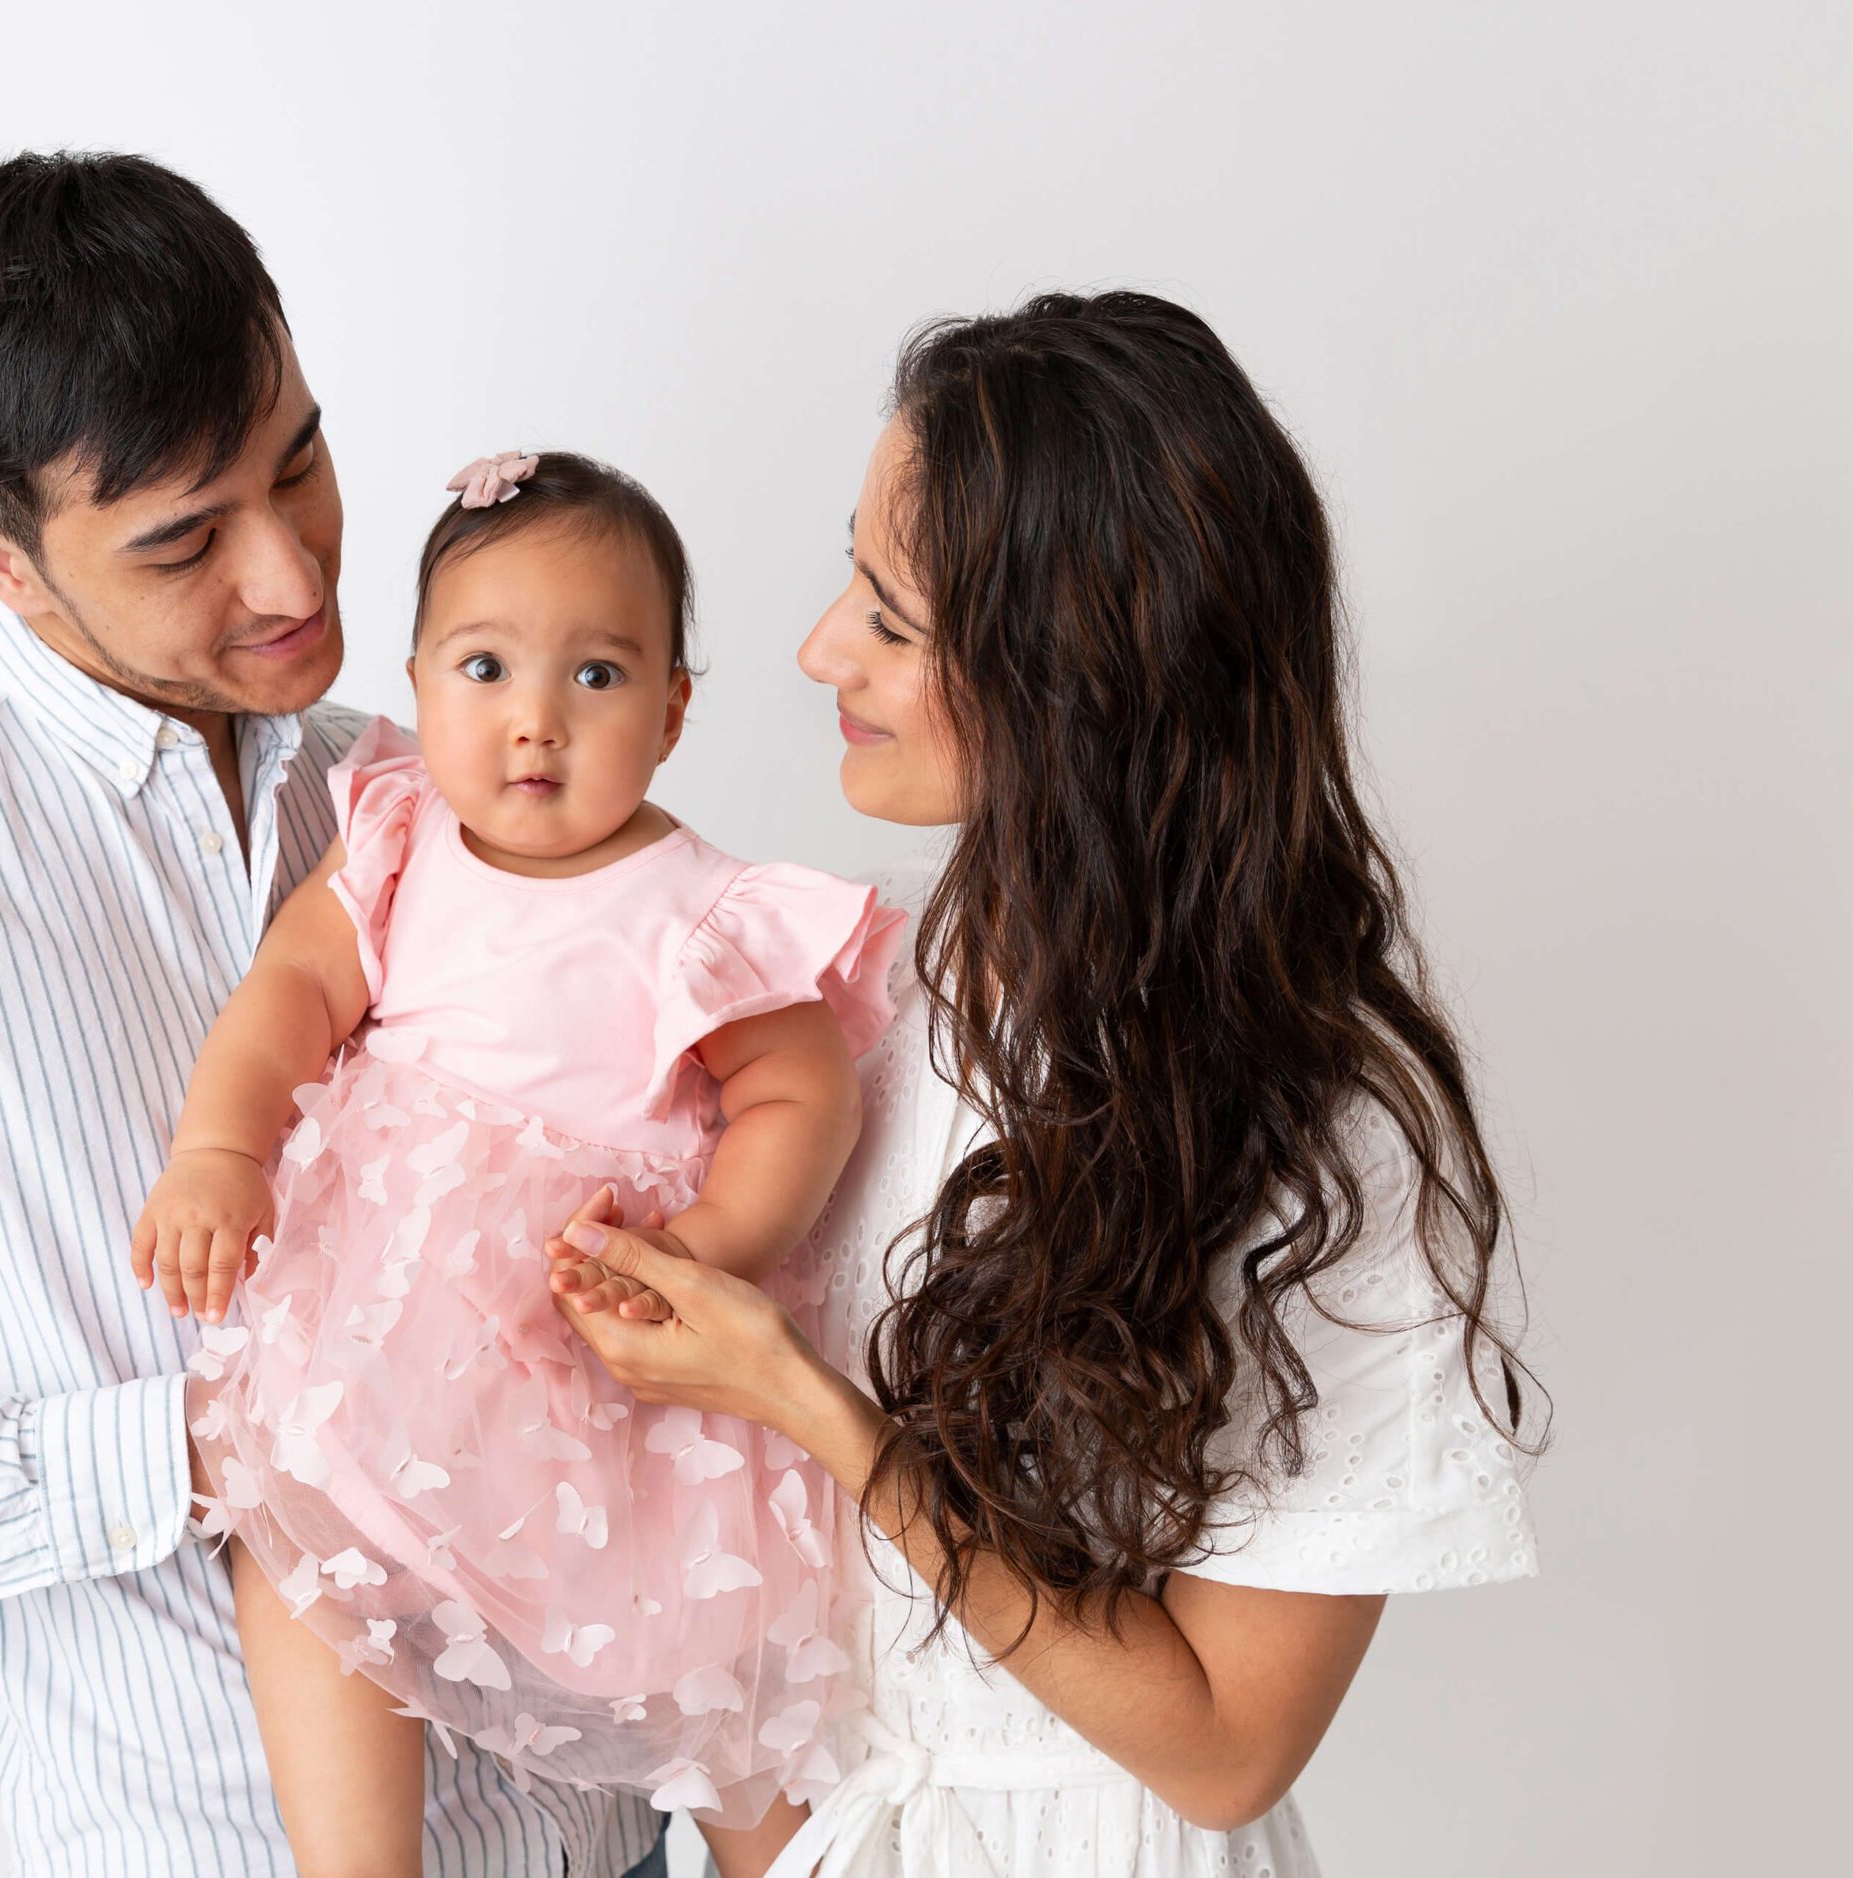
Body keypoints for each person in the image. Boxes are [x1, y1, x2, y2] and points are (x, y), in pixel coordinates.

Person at [0, 151, 664, 1877]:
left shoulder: (418, 793)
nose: (296, 575)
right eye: (183, 541)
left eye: (299, 460)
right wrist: (195, 1449)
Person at [542, 293, 1545, 1876]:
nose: (817, 651)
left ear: (1073, 675)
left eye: (888, 614)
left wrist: (808, 1403)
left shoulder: (1322, 1137)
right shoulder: (851, 991)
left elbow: (1225, 1747)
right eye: (847, 579)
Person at [138, 450, 904, 1877]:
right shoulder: (394, 833)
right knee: (305, 1540)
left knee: (714, 1655)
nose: (535, 722)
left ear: (675, 711)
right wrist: (221, 1153)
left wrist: (717, 1246)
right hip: (402, 1333)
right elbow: (288, 998)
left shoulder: (701, 907)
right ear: (418, 683)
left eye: (598, 679)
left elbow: (804, 1093)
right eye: (484, 669)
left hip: (606, 1344)